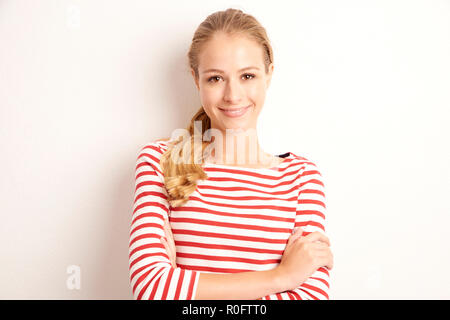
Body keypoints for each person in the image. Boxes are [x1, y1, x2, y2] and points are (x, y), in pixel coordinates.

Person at [128, 8, 333, 300]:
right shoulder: (159, 162)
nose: (233, 96)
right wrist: (282, 277)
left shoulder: (301, 178)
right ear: (196, 79)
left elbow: (310, 297)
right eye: (215, 79)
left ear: (269, 75)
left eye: (247, 75)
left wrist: (184, 287)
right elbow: (151, 289)